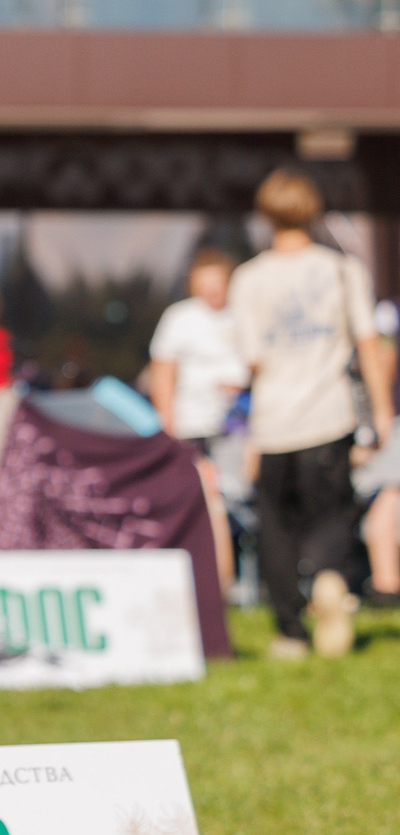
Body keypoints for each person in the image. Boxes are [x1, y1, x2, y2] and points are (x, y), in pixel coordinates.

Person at [227, 168, 392, 659]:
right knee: (334, 512)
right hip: (331, 414)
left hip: (275, 421)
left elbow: (251, 360)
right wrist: (382, 412)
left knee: (276, 523)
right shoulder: (343, 270)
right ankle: (327, 577)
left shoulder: (249, 278)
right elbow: (368, 344)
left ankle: (290, 632)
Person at [147, 247, 249, 589]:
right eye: (204, 284)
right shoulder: (180, 318)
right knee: (210, 502)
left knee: (237, 501)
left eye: (217, 283)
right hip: (194, 430)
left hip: (242, 429)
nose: (212, 291)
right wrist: (169, 428)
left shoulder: (245, 314)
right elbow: (163, 373)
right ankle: (219, 583)